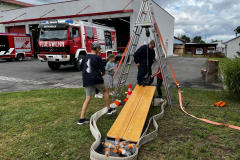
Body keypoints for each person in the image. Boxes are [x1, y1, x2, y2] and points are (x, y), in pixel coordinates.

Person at [77, 42, 116, 125]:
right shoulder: (98, 58)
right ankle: (109, 109)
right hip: (96, 79)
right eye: (99, 48)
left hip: (87, 80)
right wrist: (100, 76)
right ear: (97, 48)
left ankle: (81, 118)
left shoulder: (85, 57)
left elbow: (81, 67)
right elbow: (103, 71)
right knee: (105, 91)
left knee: (88, 98)